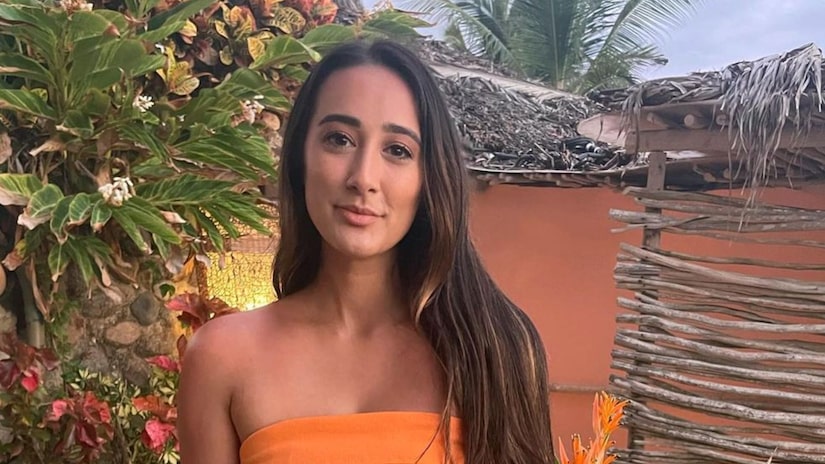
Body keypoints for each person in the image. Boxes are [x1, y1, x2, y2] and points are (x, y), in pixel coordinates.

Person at [177, 39, 555, 464]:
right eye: (339, 139)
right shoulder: (222, 357)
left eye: (398, 150)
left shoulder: (494, 349)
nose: (364, 178)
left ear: (429, 176)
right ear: (300, 157)